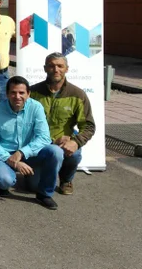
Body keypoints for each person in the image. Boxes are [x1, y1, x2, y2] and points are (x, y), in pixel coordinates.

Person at [0, 76, 62, 210]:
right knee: (5, 181)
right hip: (4, 155)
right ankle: (3, 183)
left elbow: (44, 137)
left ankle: (44, 194)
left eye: (21, 93)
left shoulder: (36, 107)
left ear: (28, 94)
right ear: (7, 93)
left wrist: (21, 153)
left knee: (56, 152)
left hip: (29, 153)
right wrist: (13, 160)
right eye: (13, 92)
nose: (17, 96)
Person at [30, 52, 96, 195]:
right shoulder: (33, 92)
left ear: (67, 69)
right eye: (51, 66)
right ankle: (40, 171)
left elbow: (89, 126)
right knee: (32, 187)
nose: (56, 69)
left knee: (76, 153)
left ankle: (66, 179)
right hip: (38, 144)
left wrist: (76, 142)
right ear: (45, 68)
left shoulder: (78, 95)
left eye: (60, 66)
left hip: (64, 143)